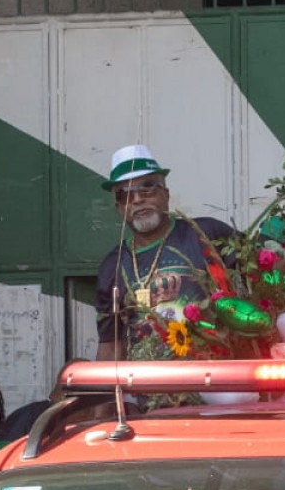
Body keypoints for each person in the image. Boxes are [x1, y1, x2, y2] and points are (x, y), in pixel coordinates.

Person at [93, 145, 235, 359]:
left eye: (147, 188)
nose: (138, 199)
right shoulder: (112, 266)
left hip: (211, 379)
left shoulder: (206, 233)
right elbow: (110, 347)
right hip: (144, 385)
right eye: (125, 194)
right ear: (119, 208)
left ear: (165, 194)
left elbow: (264, 264)